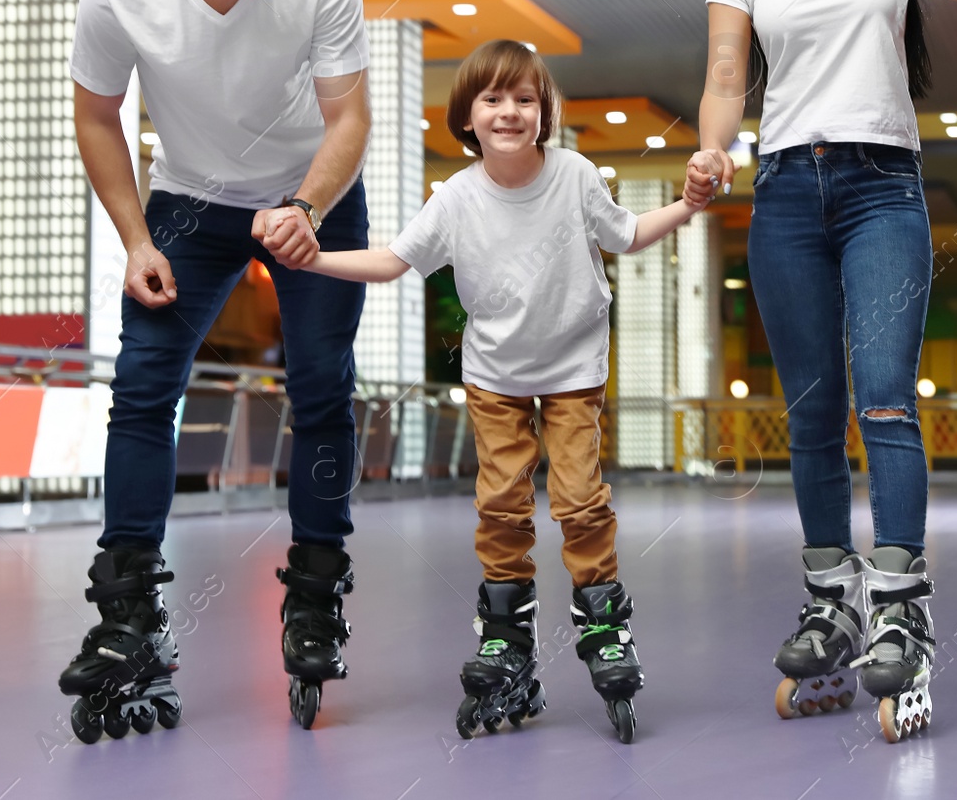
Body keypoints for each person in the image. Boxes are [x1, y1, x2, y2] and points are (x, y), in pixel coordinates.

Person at [686, 0, 957, 744]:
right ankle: (830, 602)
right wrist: (711, 146)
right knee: (811, 408)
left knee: (885, 395)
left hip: (881, 186)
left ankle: (900, 606)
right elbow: (729, 75)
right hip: (781, 190)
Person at [59, 0, 373, 739]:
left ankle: (316, 588)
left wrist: (307, 207)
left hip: (314, 196)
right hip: (188, 206)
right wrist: (132, 236)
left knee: (321, 386)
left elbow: (349, 116)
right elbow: (95, 114)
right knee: (143, 386)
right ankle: (128, 612)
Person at [302, 40, 708, 745]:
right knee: (500, 505)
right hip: (494, 377)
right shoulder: (456, 197)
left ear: (544, 110)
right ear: (467, 115)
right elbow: (396, 259)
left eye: (524, 98)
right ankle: (505, 632)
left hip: (575, 370)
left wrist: (688, 204)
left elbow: (628, 233)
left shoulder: (577, 175)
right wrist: (315, 255)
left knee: (580, 501)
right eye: (493, 99)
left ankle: (603, 623)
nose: (510, 111)